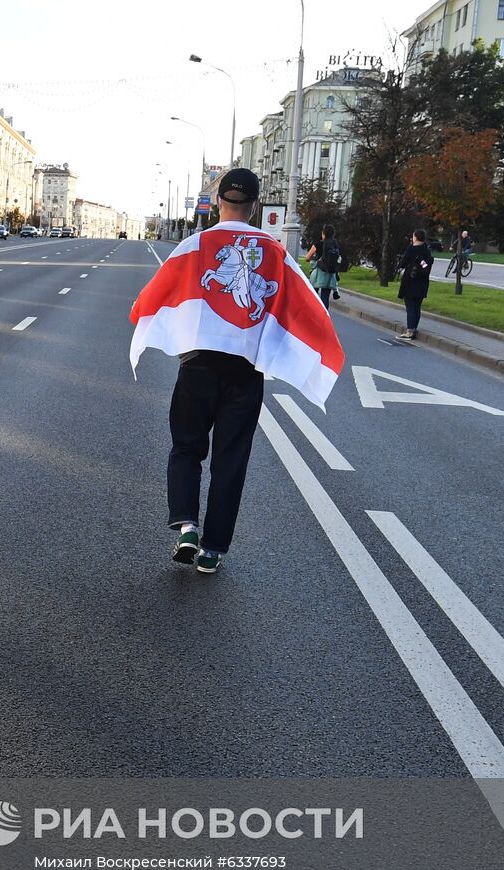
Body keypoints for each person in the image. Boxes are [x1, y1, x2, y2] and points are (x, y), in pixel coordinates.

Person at [129, 168, 343, 574]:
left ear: (219, 203)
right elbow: (304, 309)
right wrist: (322, 353)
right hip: (246, 372)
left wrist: (145, 317)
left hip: (197, 366)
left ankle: (188, 526)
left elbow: (152, 297)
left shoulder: (195, 245)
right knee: (231, 459)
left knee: (186, 447)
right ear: (256, 206)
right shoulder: (275, 253)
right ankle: (212, 551)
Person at [396, 229, 433, 341]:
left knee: (410, 306)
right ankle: (414, 328)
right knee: (417, 306)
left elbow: (402, 263)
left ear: (415, 237)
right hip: (422, 281)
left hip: (411, 280)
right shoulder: (426, 250)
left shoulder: (411, 249)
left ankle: (409, 331)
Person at [306, 223, 341, 308]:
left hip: (318, 273)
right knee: (325, 296)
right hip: (330, 273)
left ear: (323, 234)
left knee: (313, 294)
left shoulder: (317, 244)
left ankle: (313, 313)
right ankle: (324, 317)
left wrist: (313, 259)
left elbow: (307, 257)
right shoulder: (335, 244)